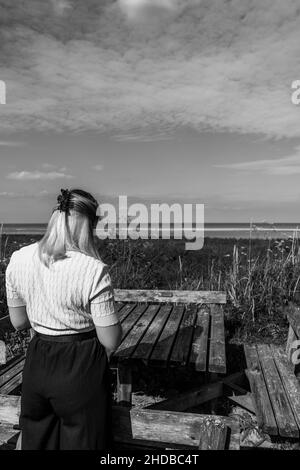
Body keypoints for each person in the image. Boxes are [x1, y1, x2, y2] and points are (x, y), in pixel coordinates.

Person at [5, 188, 122, 450]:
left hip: (37, 362)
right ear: (89, 225)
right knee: (84, 441)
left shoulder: (18, 259)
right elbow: (110, 339)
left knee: (35, 438)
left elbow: (19, 322)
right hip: (80, 366)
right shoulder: (94, 270)